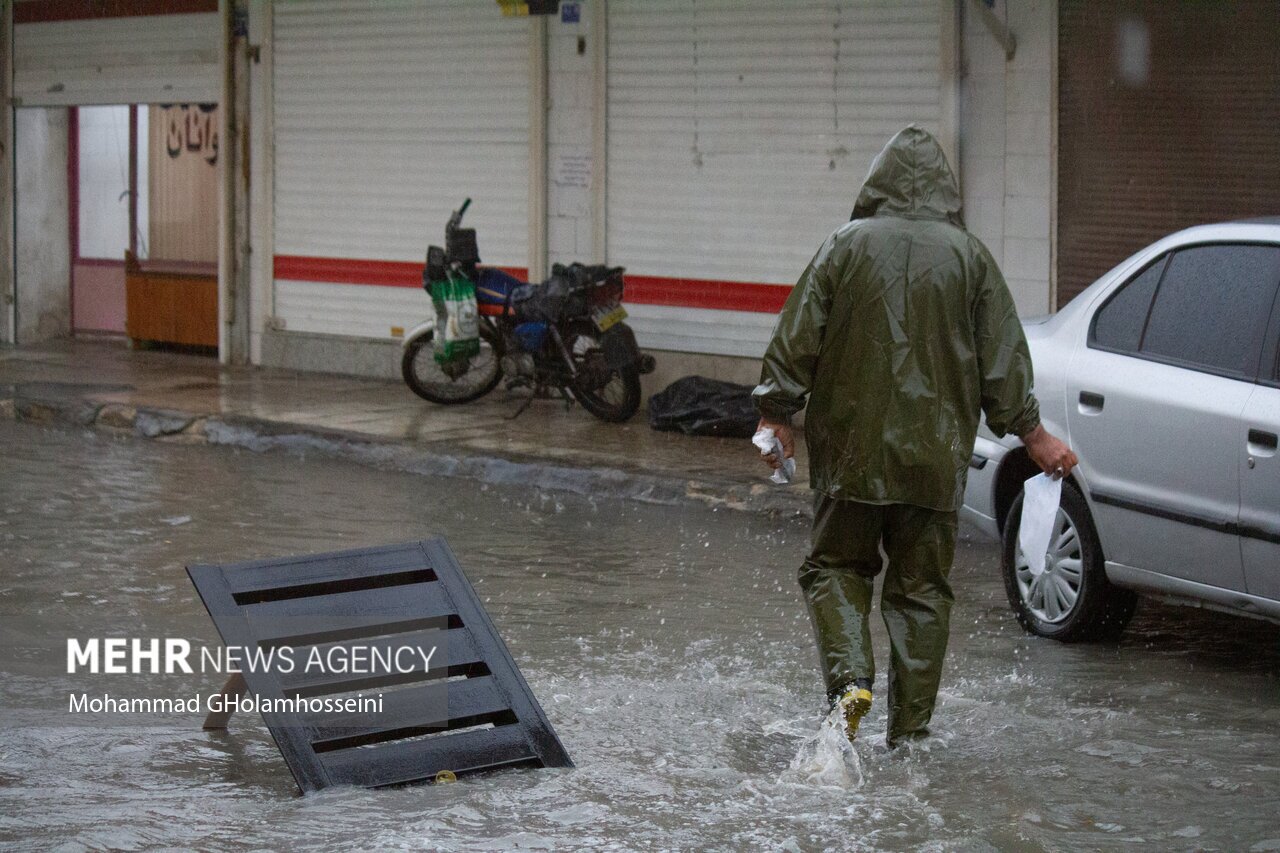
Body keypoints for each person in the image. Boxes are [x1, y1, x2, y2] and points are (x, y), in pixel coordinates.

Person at [752, 125, 1077, 747]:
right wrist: (1032, 434)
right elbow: (1002, 361)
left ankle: (850, 681)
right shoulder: (969, 256)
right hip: (934, 458)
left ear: (877, 184)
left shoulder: (843, 247)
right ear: (944, 190)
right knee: (922, 591)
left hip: (851, 456)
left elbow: (796, 339)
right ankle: (910, 732)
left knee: (836, 567)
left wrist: (775, 416)